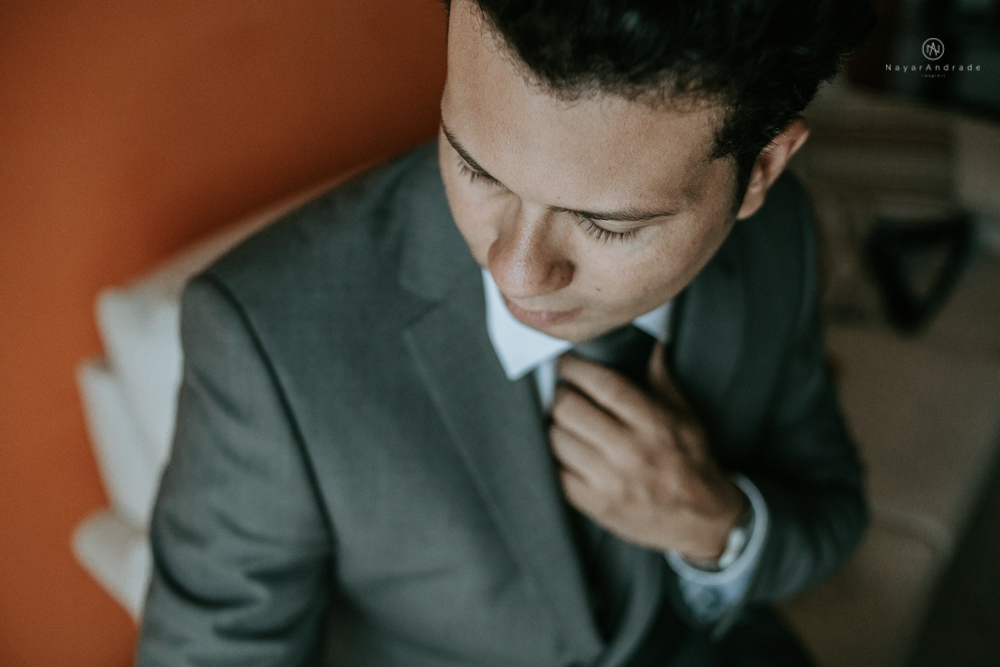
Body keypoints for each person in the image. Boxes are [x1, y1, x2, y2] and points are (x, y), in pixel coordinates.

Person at [137, 1, 876, 665]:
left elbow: (833, 505)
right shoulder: (263, 336)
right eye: (473, 165)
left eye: (606, 223)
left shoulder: (781, 240)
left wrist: (717, 523)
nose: (515, 272)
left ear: (761, 172)